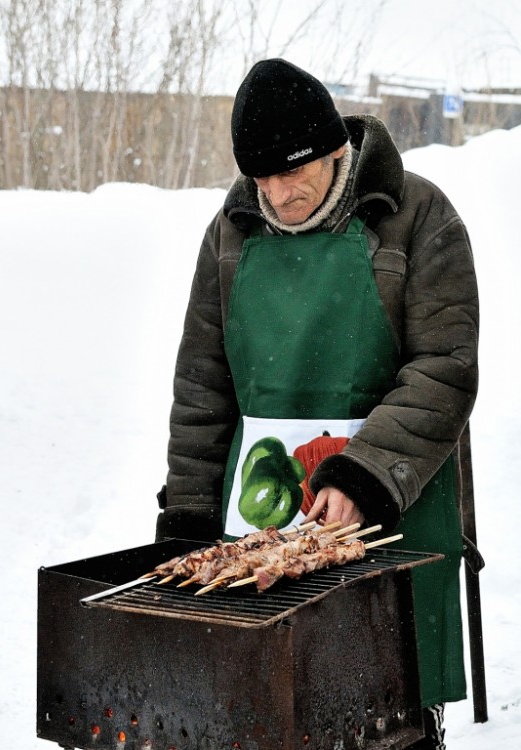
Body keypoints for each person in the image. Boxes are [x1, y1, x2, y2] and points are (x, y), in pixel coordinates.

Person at [156, 58, 479, 750]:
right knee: (273, 705)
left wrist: (364, 474)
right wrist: (186, 512)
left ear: (337, 150)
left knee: (389, 710)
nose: (277, 193)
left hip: (394, 508)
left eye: (292, 172)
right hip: (263, 524)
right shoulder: (231, 232)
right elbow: (203, 385)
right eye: (261, 176)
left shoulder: (416, 214)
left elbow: (443, 369)